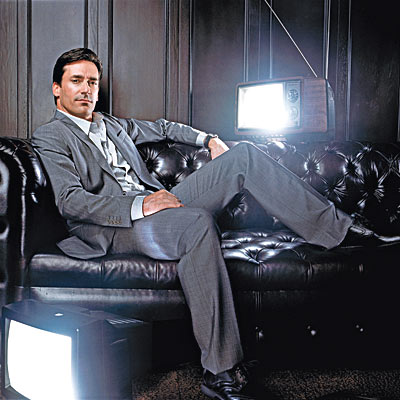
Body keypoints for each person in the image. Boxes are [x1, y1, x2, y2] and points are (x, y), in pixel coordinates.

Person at [32, 48, 400, 400]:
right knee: (197, 224)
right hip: (116, 226)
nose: (86, 89)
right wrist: (141, 204)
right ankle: (221, 372)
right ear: (57, 88)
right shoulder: (51, 135)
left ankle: (341, 230)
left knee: (245, 156)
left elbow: (163, 127)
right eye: (76, 81)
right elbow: (71, 201)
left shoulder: (112, 125)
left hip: (160, 208)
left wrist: (207, 139)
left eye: (92, 82)